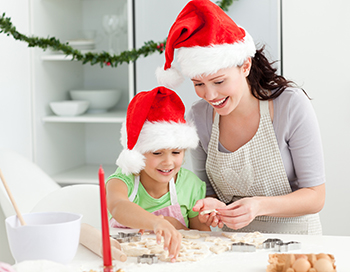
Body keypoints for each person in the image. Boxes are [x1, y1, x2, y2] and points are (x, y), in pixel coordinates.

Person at [155, 0, 325, 235]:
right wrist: (210, 207)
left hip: (296, 240)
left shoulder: (290, 105)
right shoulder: (198, 117)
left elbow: (315, 196)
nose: (210, 95)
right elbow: (207, 190)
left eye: (219, 81)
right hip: (231, 242)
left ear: (245, 66)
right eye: (199, 84)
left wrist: (258, 206)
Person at [106, 86, 210, 262]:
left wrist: (178, 227)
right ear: (139, 152)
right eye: (157, 153)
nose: (168, 162)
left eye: (176, 153)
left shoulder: (190, 185)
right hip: (126, 262)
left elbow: (202, 239)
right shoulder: (125, 178)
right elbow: (117, 206)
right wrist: (156, 223)